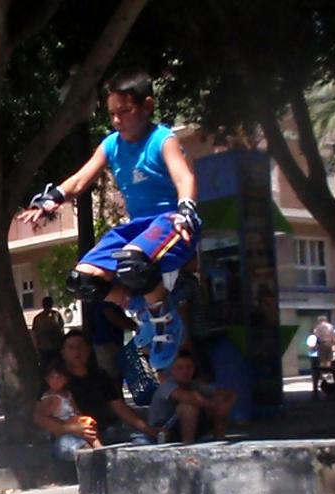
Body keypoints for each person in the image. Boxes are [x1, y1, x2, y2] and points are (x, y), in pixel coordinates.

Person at [19, 66, 201, 371]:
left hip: (171, 223)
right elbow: (81, 180)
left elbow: (185, 177)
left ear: (147, 105)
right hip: (138, 229)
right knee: (83, 280)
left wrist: (186, 208)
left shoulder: (162, 139)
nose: (117, 120)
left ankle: (163, 315)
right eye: (112, 114)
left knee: (132, 261)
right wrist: (54, 197)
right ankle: (138, 305)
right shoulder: (111, 144)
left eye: (125, 112)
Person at [34, 330, 160, 462]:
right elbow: (38, 416)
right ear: (63, 353)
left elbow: (120, 408)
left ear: (88, 350)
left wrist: (148, 429)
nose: (76, 351)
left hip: (106, 430)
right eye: (71, 347)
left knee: (143, 441)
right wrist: (68, 428)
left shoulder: (100, 376)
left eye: (80, 346)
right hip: (72, 435)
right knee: (69, 447)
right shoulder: (55, 379)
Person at [149, 349, 236, 444]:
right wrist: (215, 405)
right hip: (163, 431)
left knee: (219, 398)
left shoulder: (194, 384)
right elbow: (191, 398)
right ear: (172, 370)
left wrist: (225, 405)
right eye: (180, 368)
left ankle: (220, 440)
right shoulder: (167, 385)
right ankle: (188, 444)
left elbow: (229, 393)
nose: (185, 371)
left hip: (189, 425)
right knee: (189, 407)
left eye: (189, 367)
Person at [40, 358, 103, 450]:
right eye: (52, 377)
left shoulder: (67, 394)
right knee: (73, 433)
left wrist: (80, 416)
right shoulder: (48, 396)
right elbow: (44, 414)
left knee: (88, 425)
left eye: (59, 378)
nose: (55, 380)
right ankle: (85, 447)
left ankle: (98, 446)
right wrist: (53, 406)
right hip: (61, 423)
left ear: (65, 380)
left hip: (73, 419)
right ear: (47, 379)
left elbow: (74, 408)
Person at [87, 301, 138, 391]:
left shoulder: (111, 302)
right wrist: (136, 327)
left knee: (117, 377)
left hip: (112, 342)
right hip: (106, 343)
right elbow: (112, 315)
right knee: (111, 379)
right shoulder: (105, 300)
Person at [31, 296, 65, 372]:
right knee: (58, 368)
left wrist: (37, 348)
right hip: (56, 347)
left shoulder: (37, 318)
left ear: (43, 305)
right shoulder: (56, 315)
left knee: (46, 369)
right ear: (51, 304)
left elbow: (35, 335)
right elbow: (62, 330)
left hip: (44, 348)